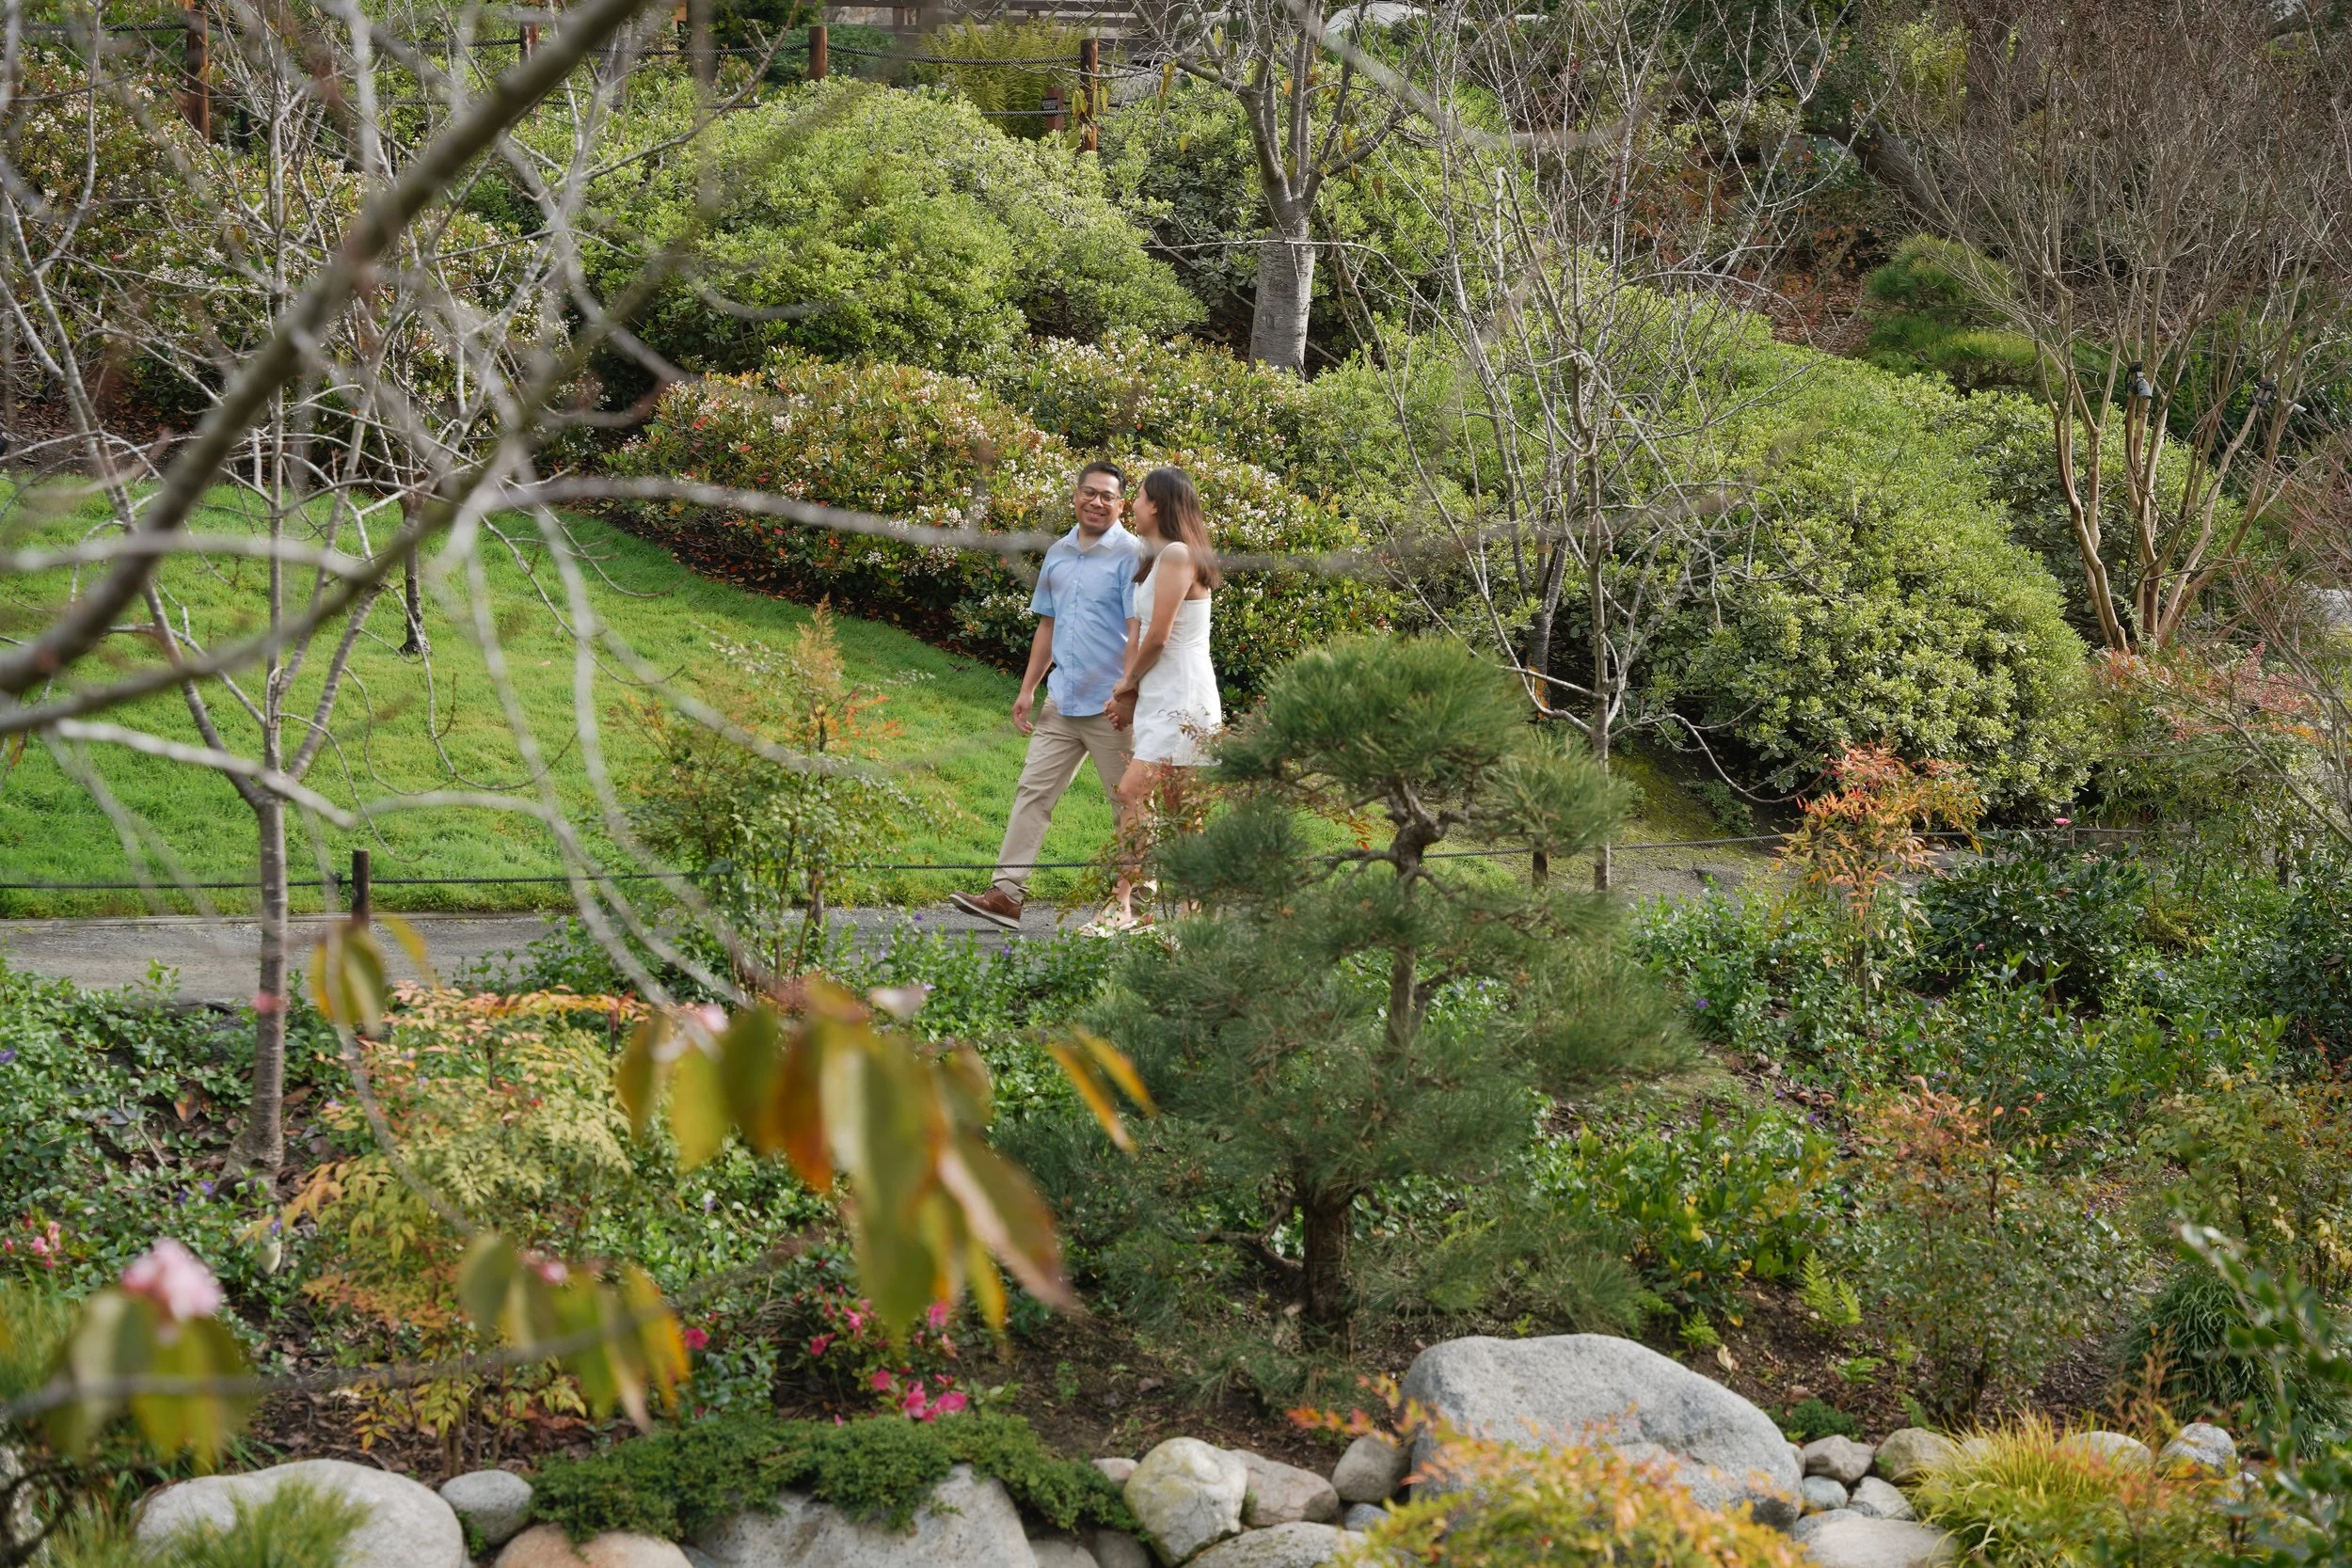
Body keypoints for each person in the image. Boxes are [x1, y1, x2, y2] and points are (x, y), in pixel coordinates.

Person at [949, 461, 1140, 932]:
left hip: (1110, 708)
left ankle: (1134, 904)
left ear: (1122, 504)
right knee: (1032, 794)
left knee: (1129, 805)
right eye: (1089, 493)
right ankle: (1006, 895)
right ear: (1075, 495)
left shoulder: (1132, 555)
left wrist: (1128, 692)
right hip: (1061, 702)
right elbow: (1047, 625)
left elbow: (1140, 632)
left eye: (1107, 496)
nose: (1097, 502)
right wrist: (1028, 687)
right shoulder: (1057, 552)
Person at [1096, 467, 1223, 932]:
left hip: (1181, 695)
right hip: (1163, 692)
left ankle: (1122, 906)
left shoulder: (1176, 554)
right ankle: (1189, 914)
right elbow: (1143, 635)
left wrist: (1125, 684)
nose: (1133, 505)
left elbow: (1159, 638)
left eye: (1140, 497)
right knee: (1182, 812)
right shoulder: (1159, 559)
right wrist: (1131, 692)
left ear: (1157, 505)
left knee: (1134, 791)